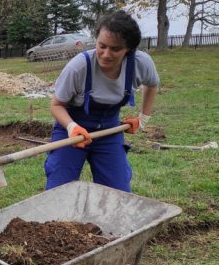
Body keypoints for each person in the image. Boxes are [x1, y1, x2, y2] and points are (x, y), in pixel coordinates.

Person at [44, 10, 159, 192]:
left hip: (109, 131)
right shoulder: (79, 67)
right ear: (96, 40)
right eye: (102, 46)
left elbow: (152, 85)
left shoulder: (140, 64)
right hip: (72, 129)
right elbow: (56, 105)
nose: (106, 54)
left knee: (118, 190)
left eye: (115, 49)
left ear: (128, 49)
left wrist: (143, 119)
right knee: (59, 187)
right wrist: (72, 128)